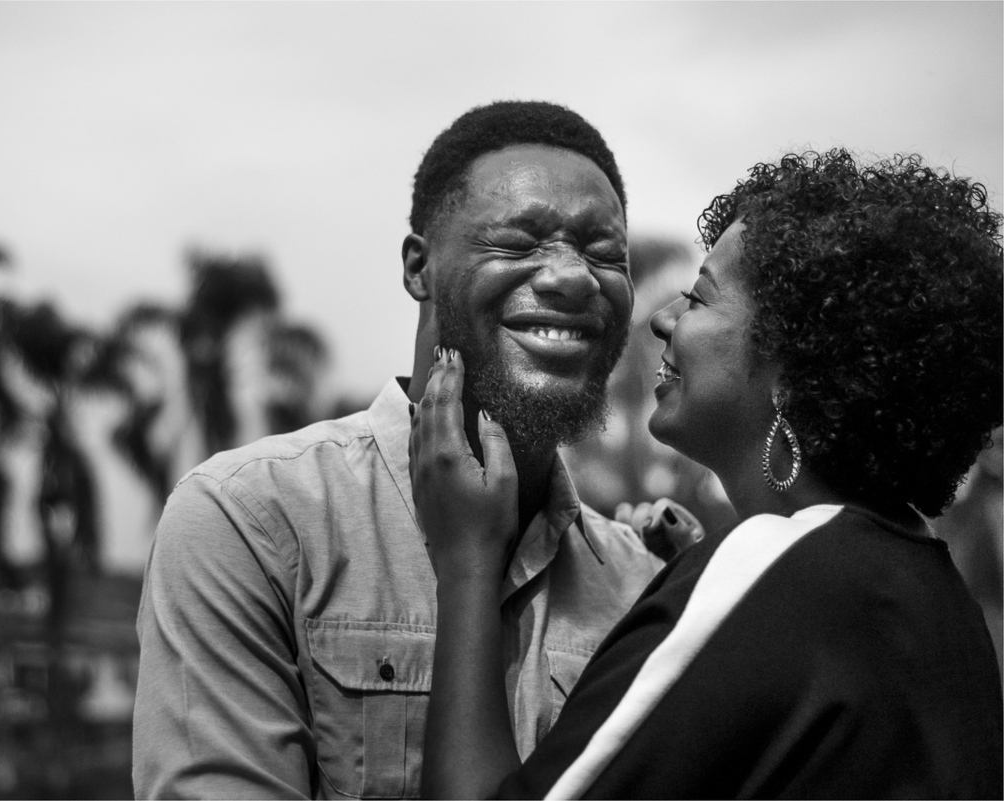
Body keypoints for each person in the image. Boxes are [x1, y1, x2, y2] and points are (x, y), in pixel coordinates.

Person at [132, 101, 697, 799]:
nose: (572, 276)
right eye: (520, 242)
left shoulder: (646, 581)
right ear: (418, 267)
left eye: (604, 254)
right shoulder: (252, 522)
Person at [411, 149, 1004, 799]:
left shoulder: (771, 574)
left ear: (792, 371)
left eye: (698, 298)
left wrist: (467, 558)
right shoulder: (944, 602)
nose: (663, 318)